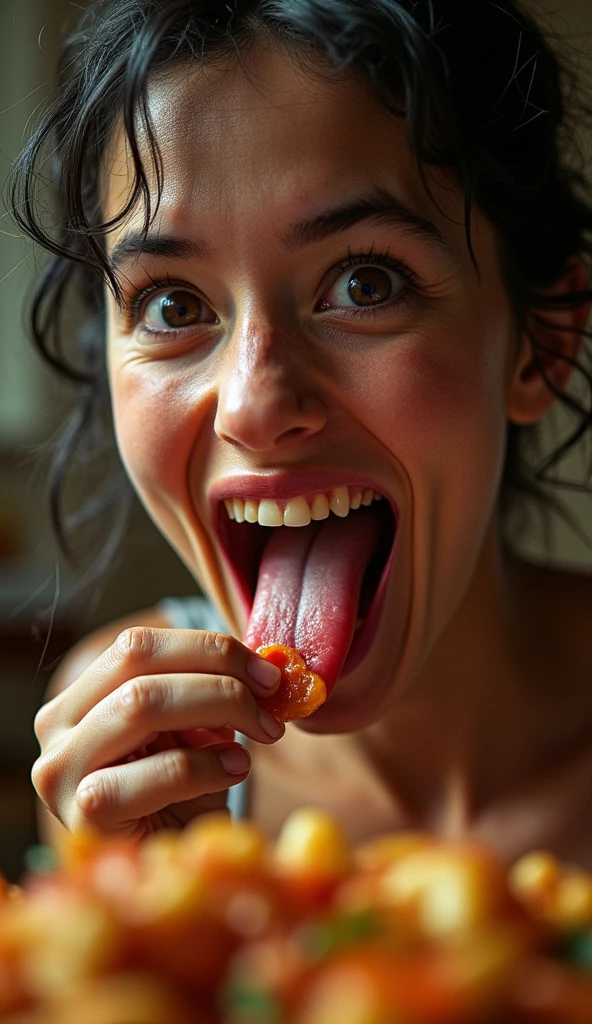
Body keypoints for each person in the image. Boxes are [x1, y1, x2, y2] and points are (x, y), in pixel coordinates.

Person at [12, 0, 592, 865]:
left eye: (364, 284)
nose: (253, 402)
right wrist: (141, 921)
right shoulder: (126, 748)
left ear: (541, 343)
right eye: (174, 305)